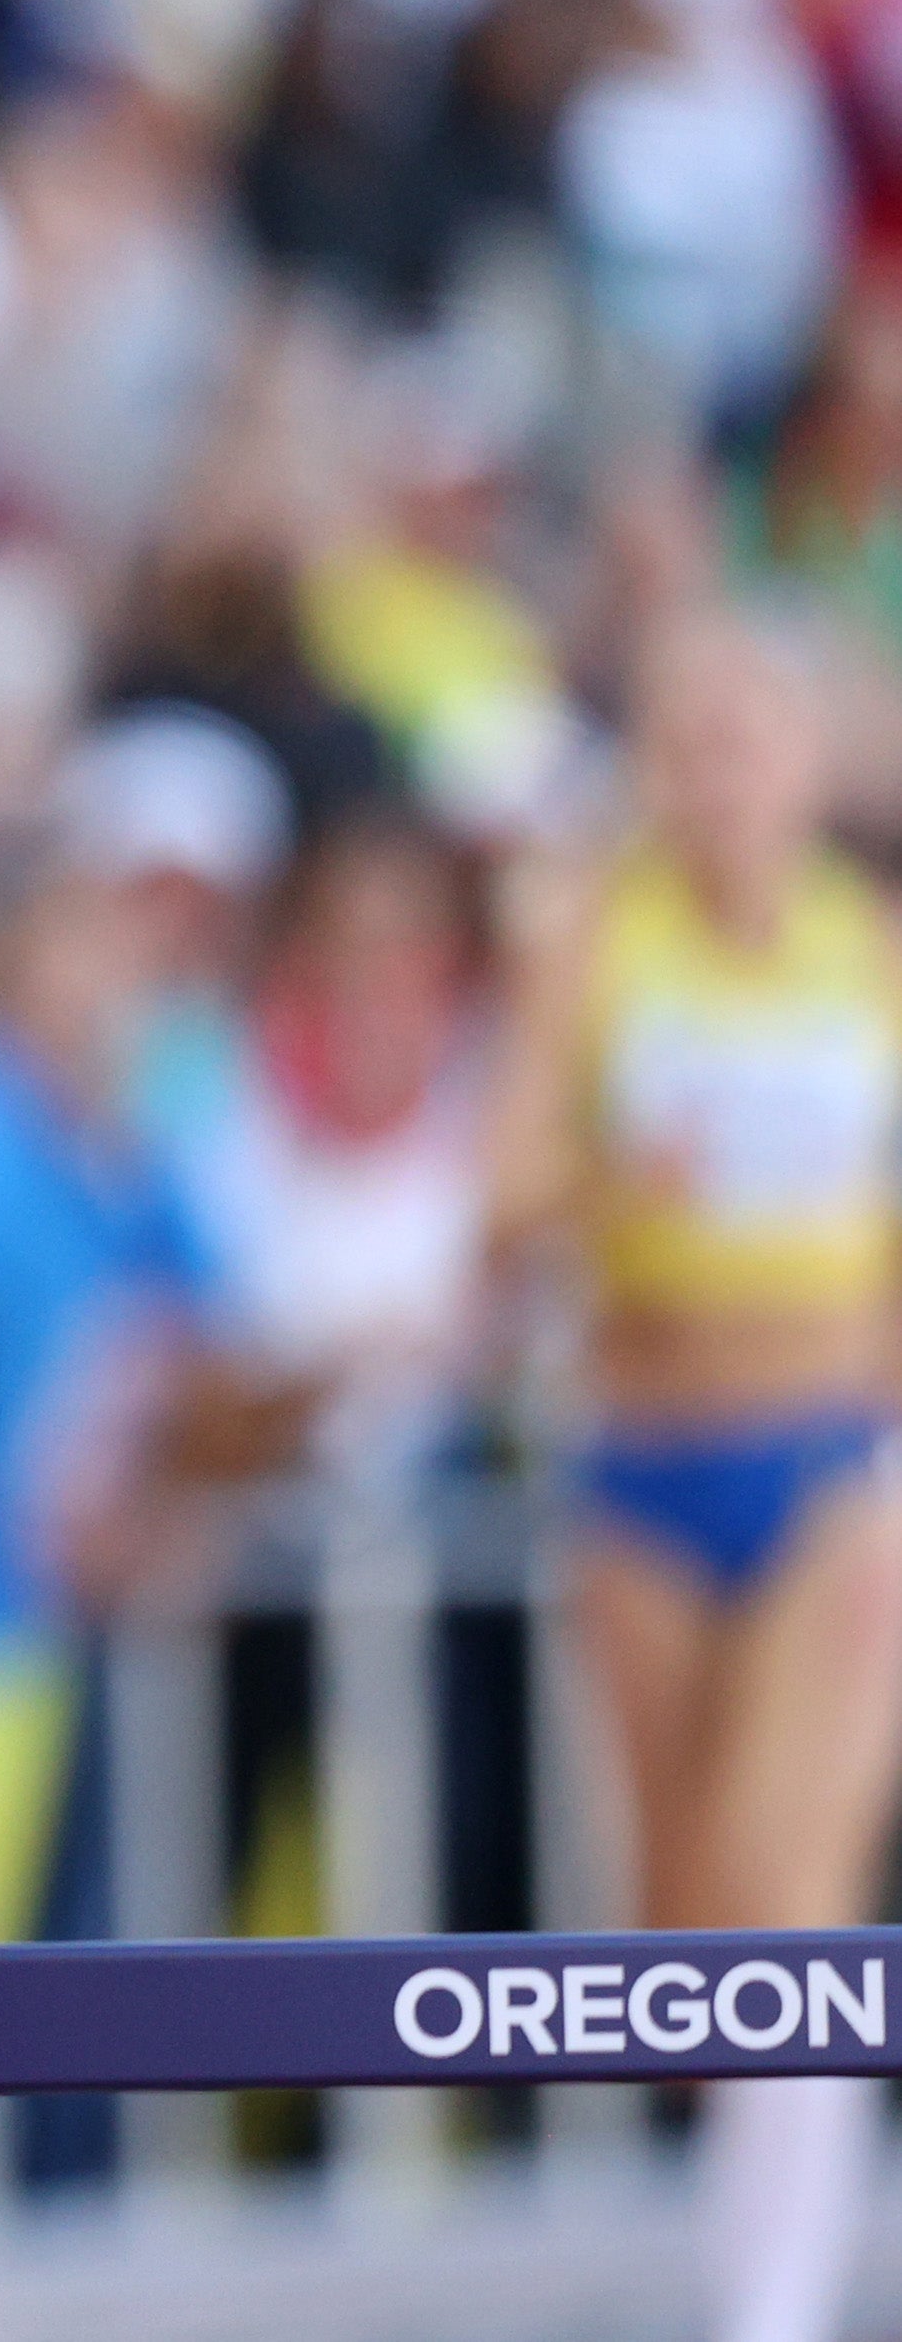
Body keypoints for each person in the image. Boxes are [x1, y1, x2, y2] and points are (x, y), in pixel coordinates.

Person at [487, 614, 902, 2342]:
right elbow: (499, 1202)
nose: (719, 774)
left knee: (783, 1874)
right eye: (690, 738)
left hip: (833, 1464)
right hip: (646, 1468)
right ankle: (779, 2234)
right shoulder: (591, 945)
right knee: (689, 1930)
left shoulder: (870, 952)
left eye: (750, 735)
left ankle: (776, 2305)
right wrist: (612, 1193)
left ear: (809, 764)